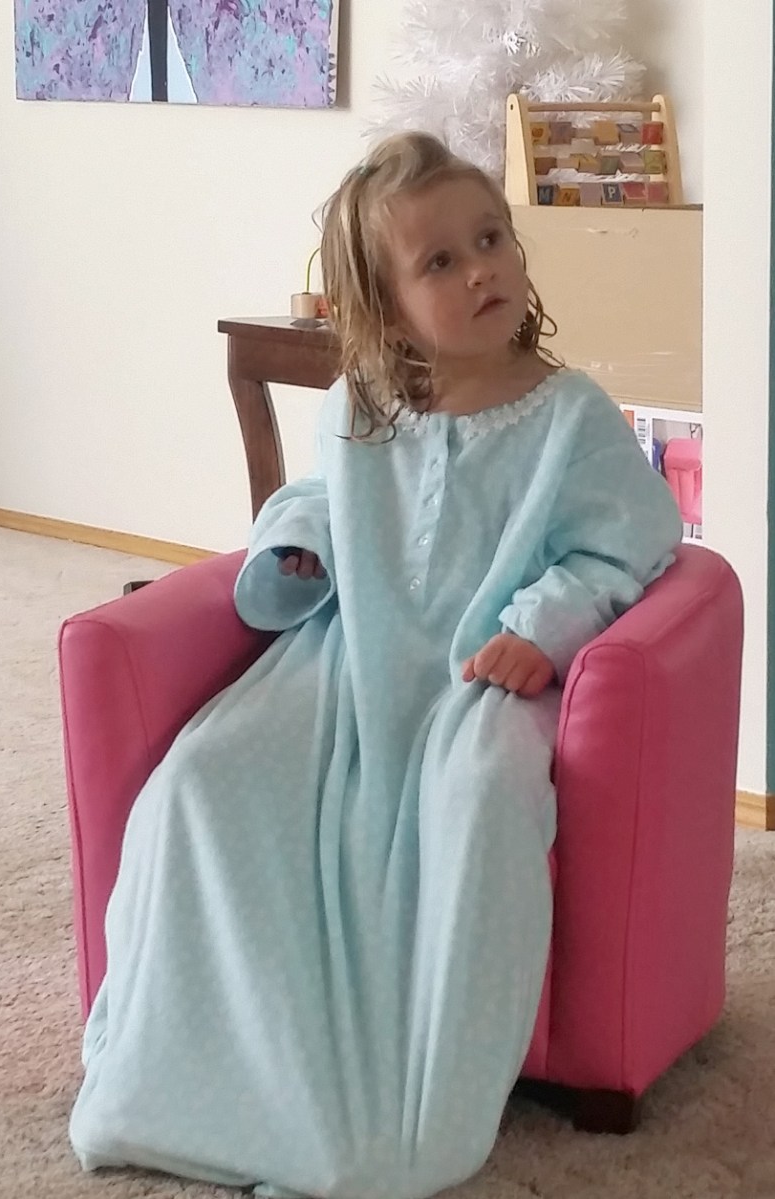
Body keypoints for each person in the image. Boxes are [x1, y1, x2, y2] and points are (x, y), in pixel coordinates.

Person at [69, 132, 682, 1198]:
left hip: (481, 677)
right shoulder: (360, 403)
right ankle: (198, 1075)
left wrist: (540, 626)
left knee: (475, 800)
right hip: (345, 658)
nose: (481, 269)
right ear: (387, 307)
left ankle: (393, 1107)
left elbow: (623, 543)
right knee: (202, 779)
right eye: (439, 261)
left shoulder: (568, 415)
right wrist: (295, 548)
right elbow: (320, 497)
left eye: (489, 239)